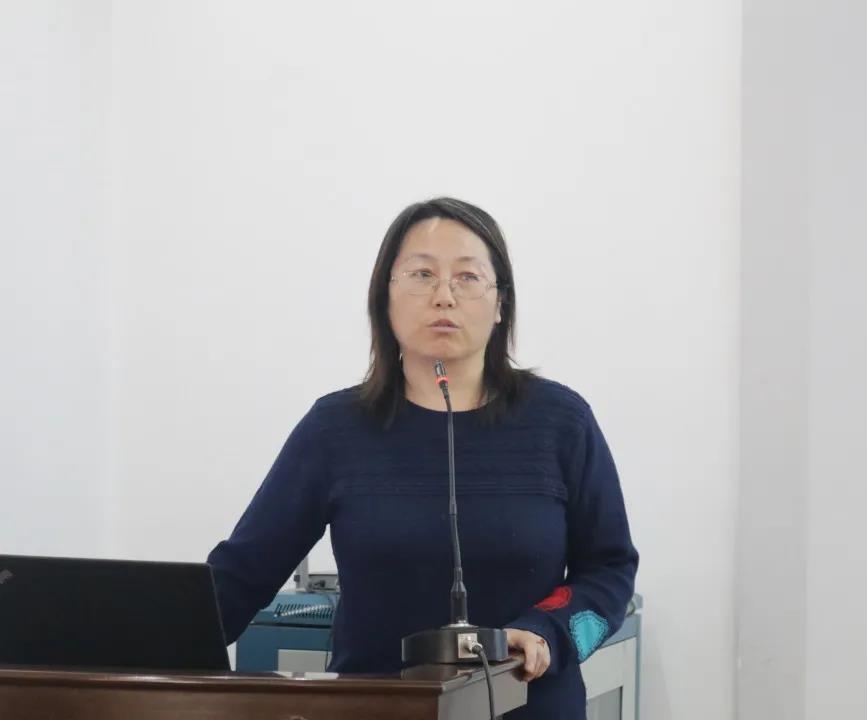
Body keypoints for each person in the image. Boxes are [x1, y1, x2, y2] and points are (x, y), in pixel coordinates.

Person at [206, 197, 638, 719]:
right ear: (384, 299)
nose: (444, 296)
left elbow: (609, 570)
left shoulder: (562, 421)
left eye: (468, 277)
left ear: (501, 304)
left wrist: (546, 632)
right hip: (378, 711)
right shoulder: (333, 429)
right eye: (421, 275)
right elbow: (242, 575)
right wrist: (140, 645)